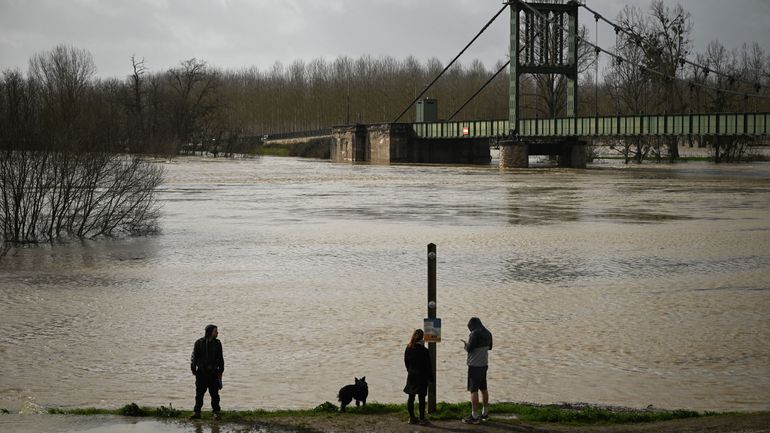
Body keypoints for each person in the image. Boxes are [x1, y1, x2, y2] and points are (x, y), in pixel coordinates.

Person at [461, 317, 493, 424]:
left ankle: (474, 416)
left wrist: (466, 345)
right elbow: (490, 348)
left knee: (473, 390)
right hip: (484, 365)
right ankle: (485, 413)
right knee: (484, 389)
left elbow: (470, 349)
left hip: (474, 366)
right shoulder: (488, 333)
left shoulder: (474, 334)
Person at [190, 324, 225, 419]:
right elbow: (194, 357)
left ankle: (216, 413)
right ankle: (196, 412)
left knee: (215, 395)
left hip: (214, 373)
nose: (217, 333)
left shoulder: (218, 343)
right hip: (201, 373)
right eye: (215, 331)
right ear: (210, 332)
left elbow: (220, 358)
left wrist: (221, 371)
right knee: (199, 394)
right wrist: (193, 368)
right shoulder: (199, 343)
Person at [403, 329, 432, 425]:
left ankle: (411, 418)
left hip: (411, 375)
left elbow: (406, 362)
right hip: (422, 377)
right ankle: (422, 419)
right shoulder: (424, 351)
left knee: (411, 397)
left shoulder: (408, 348)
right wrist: (430, 378)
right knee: (421, 398)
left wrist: (410, 370)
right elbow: (428, 366)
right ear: (422, 338)